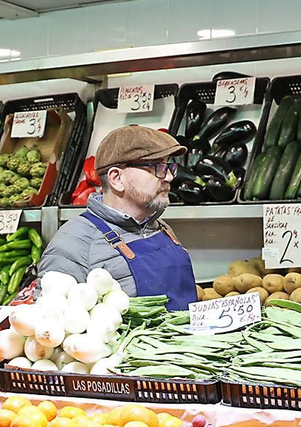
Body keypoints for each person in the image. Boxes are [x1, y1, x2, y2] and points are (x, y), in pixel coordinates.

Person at [39, 124, 196, 309]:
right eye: (157, 167)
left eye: (169, 166)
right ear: (116, 178)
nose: (169, 176)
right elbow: (49, 323)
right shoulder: (74, 244)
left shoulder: (161, 228)